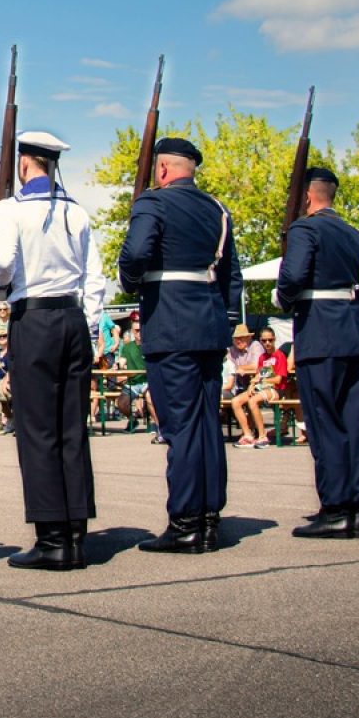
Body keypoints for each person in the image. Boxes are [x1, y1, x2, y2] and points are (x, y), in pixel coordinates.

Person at [117, 137, 242, 554]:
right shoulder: (217, 210)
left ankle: (186, 520)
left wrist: (130, 282)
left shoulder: (154, 203)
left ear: (163, 170)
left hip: (170, 324)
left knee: (181, 425)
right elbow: (230, 277)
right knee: (206, 423)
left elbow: (135, 254)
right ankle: (209, 517)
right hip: (209, 326)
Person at [0, 130, 106, 570]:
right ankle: (76, 531)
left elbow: (2, 264)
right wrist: (88, 326)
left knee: (37, 430)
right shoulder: (77, 212)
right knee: (71, 428)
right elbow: (95, 279)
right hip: (72, 318)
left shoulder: (10, 209)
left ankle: (51, 538)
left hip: (33, 317)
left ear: (23, 164)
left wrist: (1, 290)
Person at [273, 168, 359, 538]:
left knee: (326, 423)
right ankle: (354, 504)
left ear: (307, 196)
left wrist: (282, 297)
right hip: (354, 334)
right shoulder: (356, 236)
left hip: (320, 332)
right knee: (353, 422)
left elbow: (293, 277)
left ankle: (335, 507)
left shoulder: (306, 229)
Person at [230, 327, 284, 448]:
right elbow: (259, 373)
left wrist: (260, 381)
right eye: (264, 341)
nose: (267, 343)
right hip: (261, 387)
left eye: (270, 340)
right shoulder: (263, 357)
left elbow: (278, 379)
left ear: (274, 340)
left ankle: (262, 435)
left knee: (252, 401)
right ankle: (248, 435)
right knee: (235, 401)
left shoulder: (279, 356)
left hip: (275, 389)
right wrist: (252, 384)